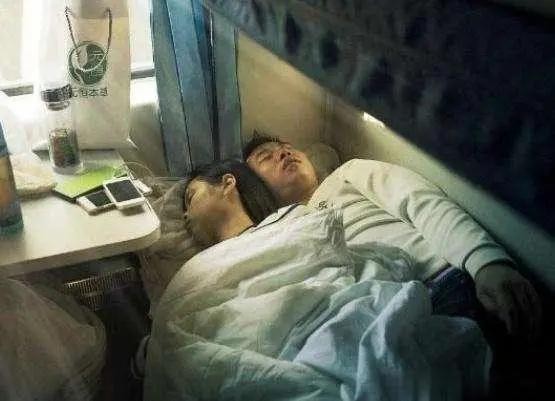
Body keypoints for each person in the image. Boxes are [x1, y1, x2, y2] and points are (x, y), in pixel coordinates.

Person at [243, 133, 542, 341]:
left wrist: (485, 262)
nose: (284, 152)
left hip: (442, 283)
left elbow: (419, 201)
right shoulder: (281, 234)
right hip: (385, 322)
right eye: (266, 156)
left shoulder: (346, 174)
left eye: (286, 147)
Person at [183, 158, 279, 247]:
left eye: (190, 197)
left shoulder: (283, 230)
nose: (185, 215)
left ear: (227, 184)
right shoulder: (201, 261)